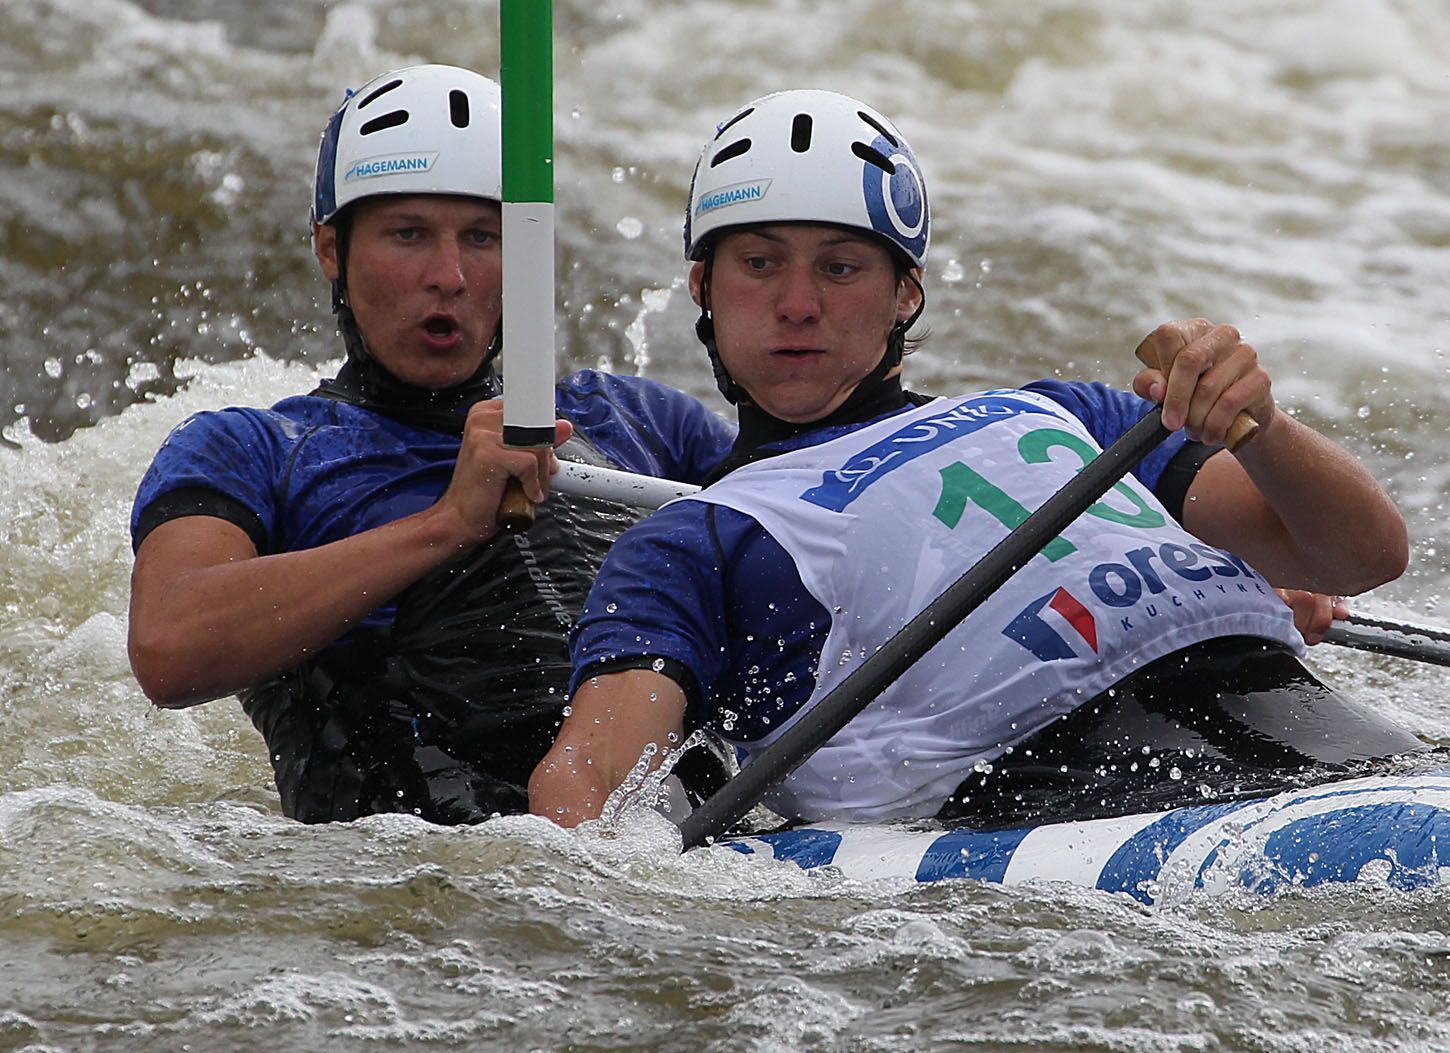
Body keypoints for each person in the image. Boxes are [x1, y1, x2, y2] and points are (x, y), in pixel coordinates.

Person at [530, 89, 1422, 830]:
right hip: (1088, 807)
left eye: (841, 269)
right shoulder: (693, 540)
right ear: (703, 290)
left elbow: (1362, 556)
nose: (796, 303)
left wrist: (1256, 422)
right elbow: (594, 785)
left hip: (1335, 738)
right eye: (759, 263)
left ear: (905, 293)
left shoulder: (1071, 411)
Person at [127, 64, 735, 825]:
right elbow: (168, 647)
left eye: (483, 237)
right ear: (330, 248)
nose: (448, 276)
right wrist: (448, 522)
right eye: (407, 234)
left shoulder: (635, 419)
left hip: (689, 847)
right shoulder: (252, 449)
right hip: (431, 880)